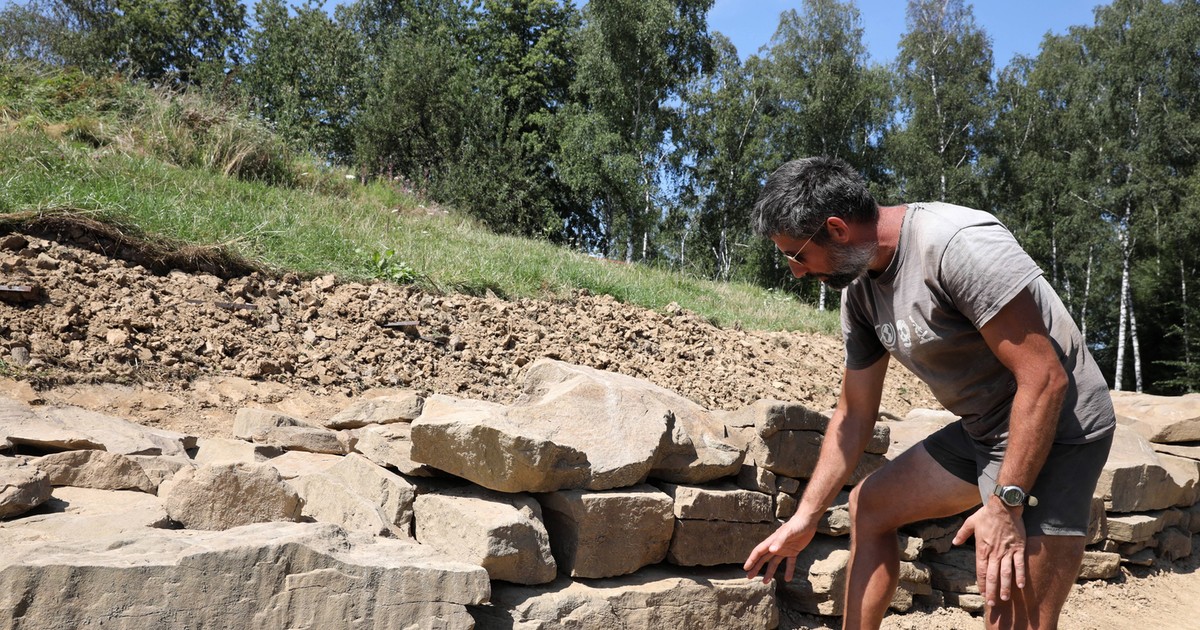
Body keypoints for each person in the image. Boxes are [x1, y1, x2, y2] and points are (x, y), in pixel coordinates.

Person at [742, 156, 1116, 630]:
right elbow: (855, 412)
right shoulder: (859, 292)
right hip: (984, 428)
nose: (795, 272)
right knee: (870, 505)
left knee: (1010, 611)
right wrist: (805, 518)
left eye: (796, 255)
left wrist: (1003, 506)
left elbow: (1045, 380)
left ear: (836, 229)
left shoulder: (957, 246)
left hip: (1059, 428)